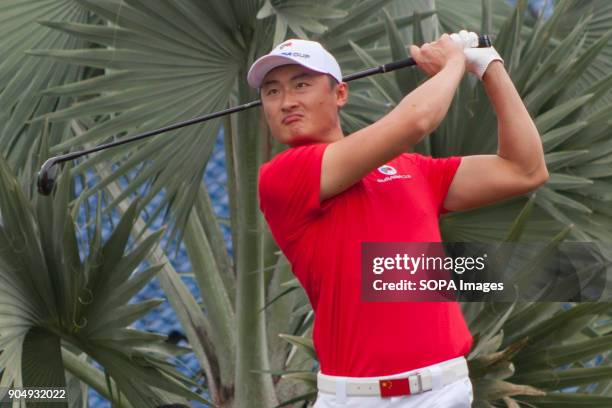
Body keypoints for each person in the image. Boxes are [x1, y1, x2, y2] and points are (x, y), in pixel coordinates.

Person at [248, 31, 548, 407]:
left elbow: (524, 170)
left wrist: (488, 65)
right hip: (354, 399)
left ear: (340, 94)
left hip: (444, 392)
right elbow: (418, 120)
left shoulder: (412, 170)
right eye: (272, 92)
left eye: (302, 84)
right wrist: (454, 61)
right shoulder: (283, 175)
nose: (286, 102)